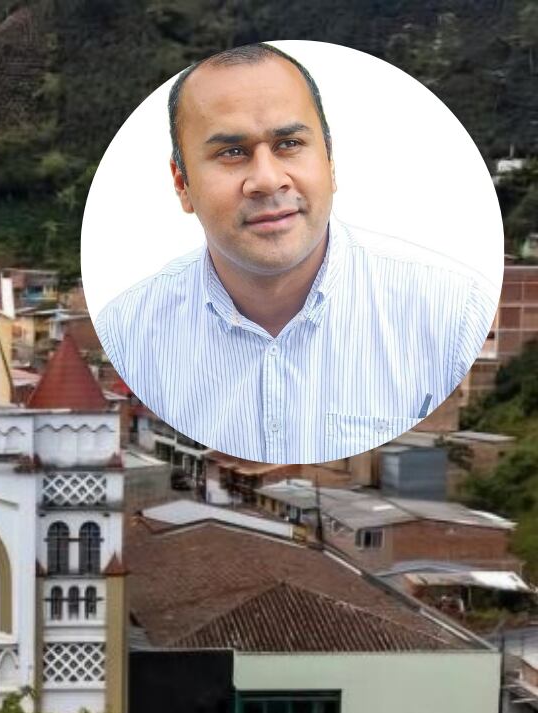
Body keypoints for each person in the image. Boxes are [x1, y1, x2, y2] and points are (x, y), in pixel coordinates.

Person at [93, 43, 498, 465]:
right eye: (231, 152)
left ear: (331, 162)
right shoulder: (129, 334)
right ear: (182, 184)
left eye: (289, 143)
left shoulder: (450, 318)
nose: (267, 180)